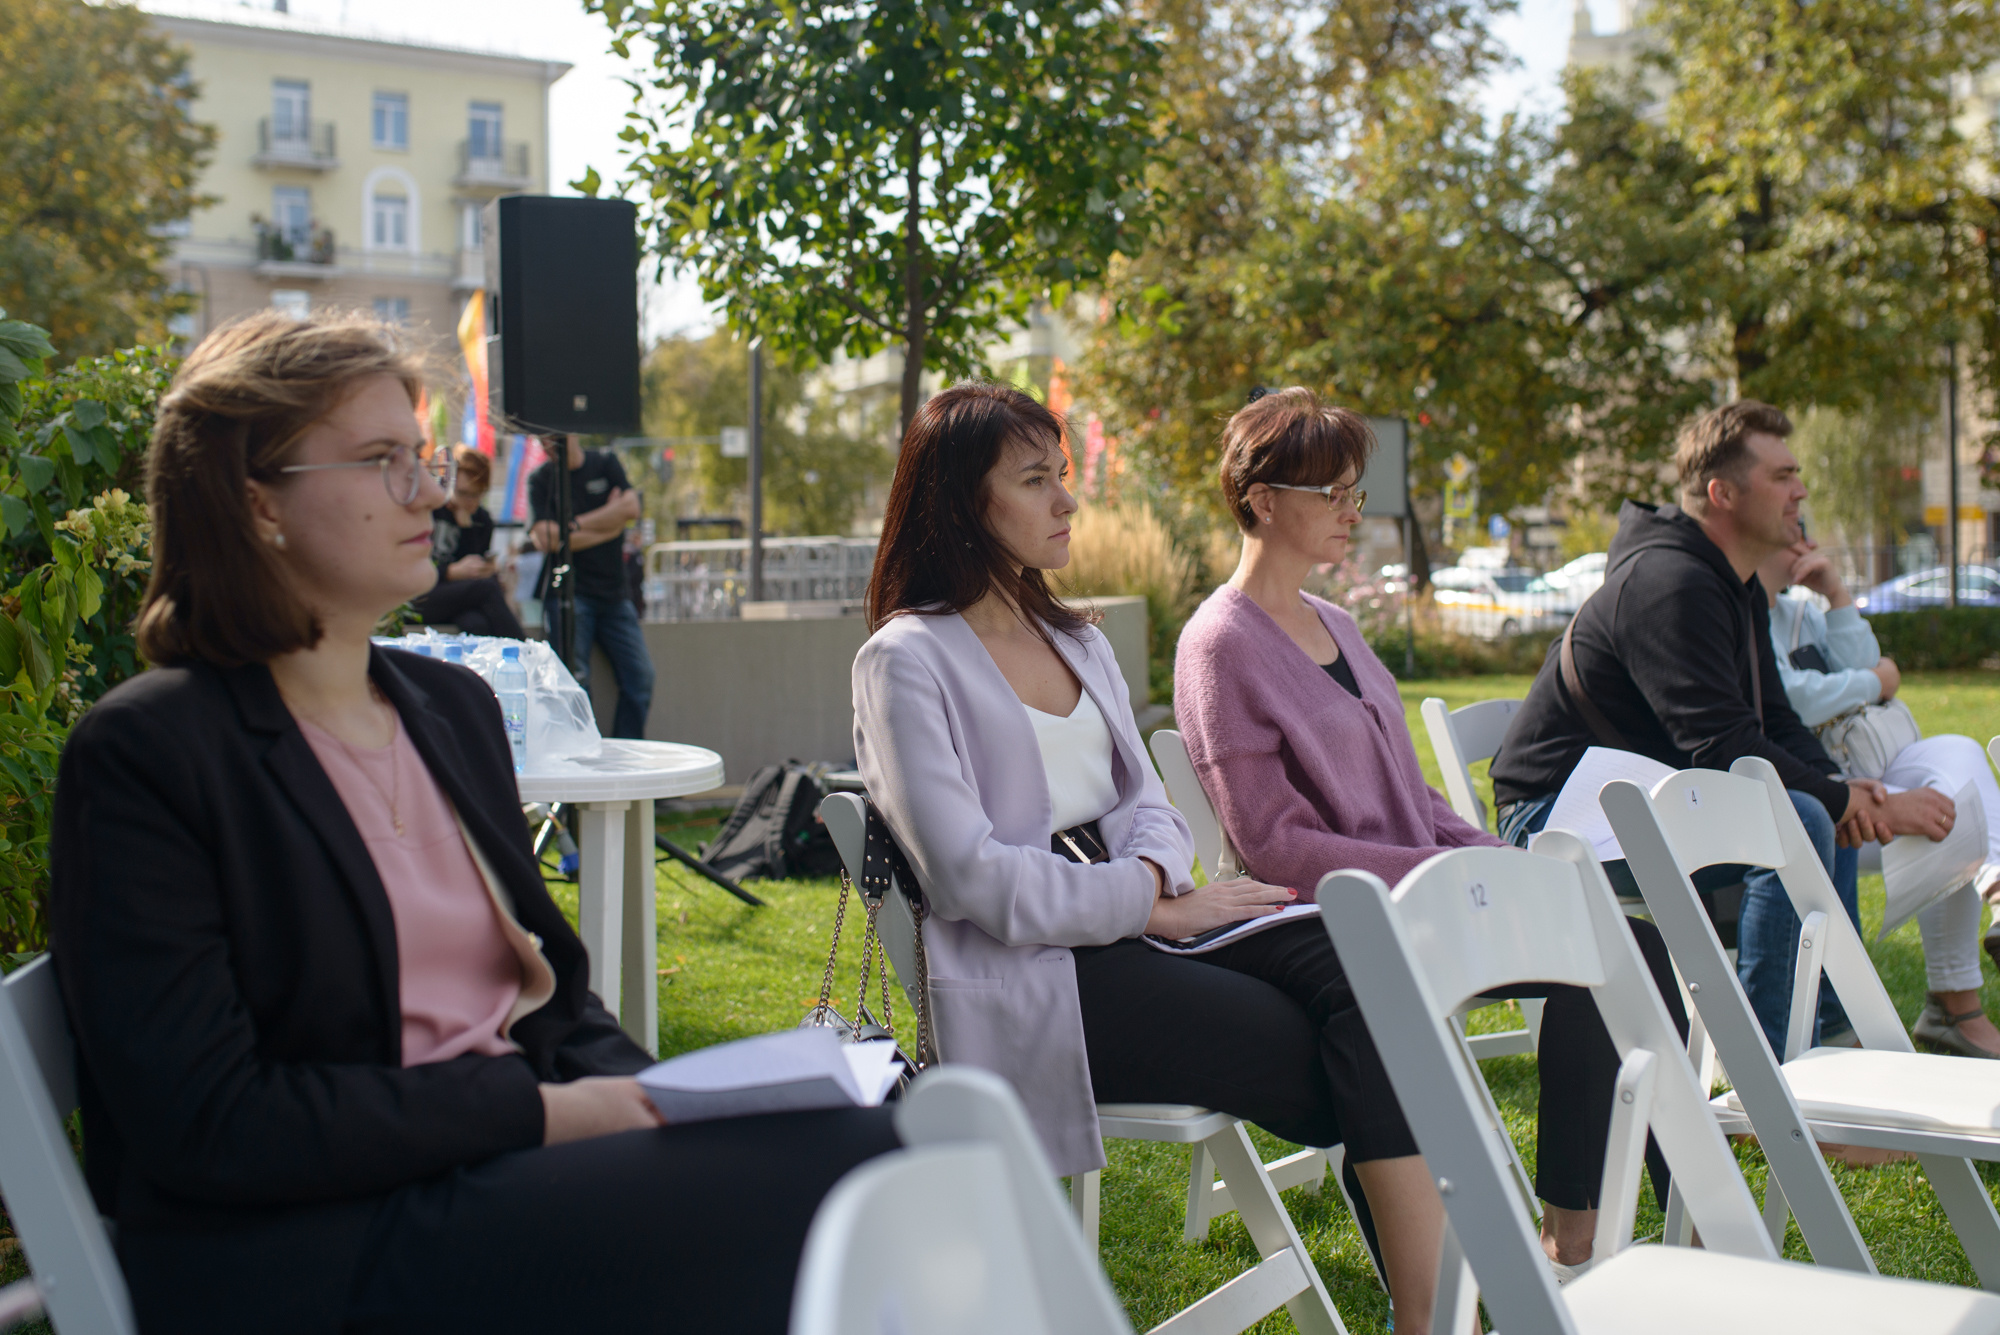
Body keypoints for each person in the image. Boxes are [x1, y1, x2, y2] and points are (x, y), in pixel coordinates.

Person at [50, 311, 898, 1335]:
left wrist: (669, 1101)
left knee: (875, 1141)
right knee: (852, 1175)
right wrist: (547, 1114)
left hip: (495, 1178)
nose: (425, 490)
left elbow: (552, 1005)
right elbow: (212, 1122)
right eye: (381, 461)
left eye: (419, 456)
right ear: (254, 498)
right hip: (310, 1243)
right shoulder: (150, 752)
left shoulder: (444, 708)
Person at [855, 381, 1475, 1335]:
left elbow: (1150, 806)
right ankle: (1436, 1319)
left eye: (1062, 475)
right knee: (1363, 1048)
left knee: (1372, 965)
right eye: (1035, 480)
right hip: (1043, 968)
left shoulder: (1075, 637)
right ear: (959, 500)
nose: (1067, 500)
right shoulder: (907, 660)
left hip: (1155, 922)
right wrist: (1142, 903)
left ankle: (1428, 1317)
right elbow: (969, 876)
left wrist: (1152, 885)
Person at [1174, 386, 1689, 1284]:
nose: (1352, 510)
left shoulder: (1336, 623)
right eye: (1331, 492)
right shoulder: (1219, 643)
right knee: (1609, 950)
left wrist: (1497, 859)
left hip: (1434, 893)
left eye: (1355, 491)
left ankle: (1584, 1236)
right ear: (1262, 499)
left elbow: (1414, 794)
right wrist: (1436, 870)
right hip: (1342, 919)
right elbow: (1276, 846)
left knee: (1626, 946)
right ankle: (1572, 1252)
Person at [1489, 401, 1956, 1059]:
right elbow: (1723, 747)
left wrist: (1844, 789)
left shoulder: (1732, 585)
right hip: (1555, 817)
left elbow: (1776, 721)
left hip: (1641, 801)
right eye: (1783, 475)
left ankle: (1830, 1034)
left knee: (1816, 805)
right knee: (1800, 816)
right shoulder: (1670, 583)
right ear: (1723, 493)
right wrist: (1846, 800)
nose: (1800, 491)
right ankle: (1763, 1066)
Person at [1759, 538, 2000, 1056]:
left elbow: (1863, 660)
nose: (1805, 542)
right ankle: (1952, 1012)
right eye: (1792, 528)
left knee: (1957, 765)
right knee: (1949, 814)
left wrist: (1836, 593)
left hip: (1867, 770)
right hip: (1818, 797)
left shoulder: (1801, 613)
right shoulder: (1740, 615)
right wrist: (1875, 681)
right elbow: (1794, 699)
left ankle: (1996, 896)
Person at [529, 435, 654, 737]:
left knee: (641, 678)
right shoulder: (541, 479)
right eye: (542, 440)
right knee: (575, 683)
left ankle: (626, 749)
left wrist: (572, 527)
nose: (547, 445)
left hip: (614, 595)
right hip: (569, 594)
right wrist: (611, 525)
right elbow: (546, 539)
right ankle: (584, 750)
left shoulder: (605, 463)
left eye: (553, 438)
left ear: (571, 434)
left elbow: (632, 508)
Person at [409, 445, 526, 638]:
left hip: (459, 598)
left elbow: (474, 568)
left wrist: (468, 529)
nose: (470, 501)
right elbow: (411, 568)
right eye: (463, 493)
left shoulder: (482, 520)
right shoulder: (431, 511)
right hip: (421, 595)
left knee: (477, 624)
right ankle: (524, 648)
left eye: (477, 494)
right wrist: (450, 572)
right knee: (487, 589)